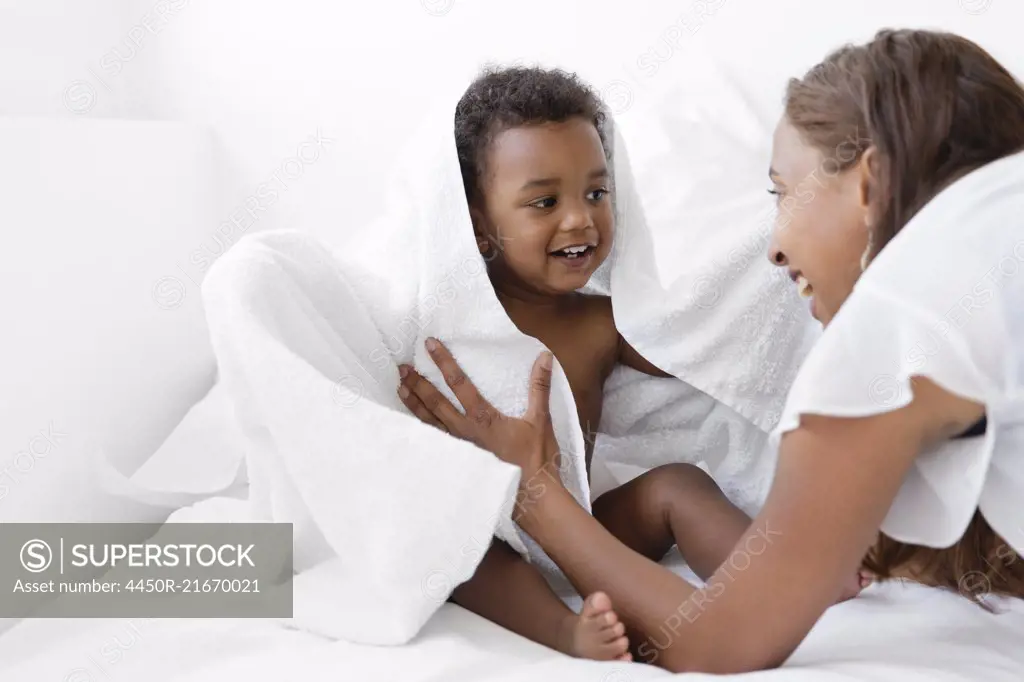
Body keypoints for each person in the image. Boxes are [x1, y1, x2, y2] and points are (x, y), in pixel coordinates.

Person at [396, 29, 1024, 674]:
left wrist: (537, 489)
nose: (773, 249)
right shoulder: (979, 273)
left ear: (870, 183)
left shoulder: (905, 327)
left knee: (676, 489)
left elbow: (719, 642)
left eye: (783, 193)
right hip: (488, 521)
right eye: (544, 201)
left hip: (562, 505)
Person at [395, 66, 782, 662]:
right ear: (476, 227)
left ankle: (778, 578)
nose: (580, 219)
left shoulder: (600, 322)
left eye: (596, 193)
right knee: (460, 553)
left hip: (583, 527)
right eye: (545, 201)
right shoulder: (446, 328)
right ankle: (564, 632)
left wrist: (749, 299)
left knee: (678, 486)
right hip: (493, 534)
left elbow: (698, 353)